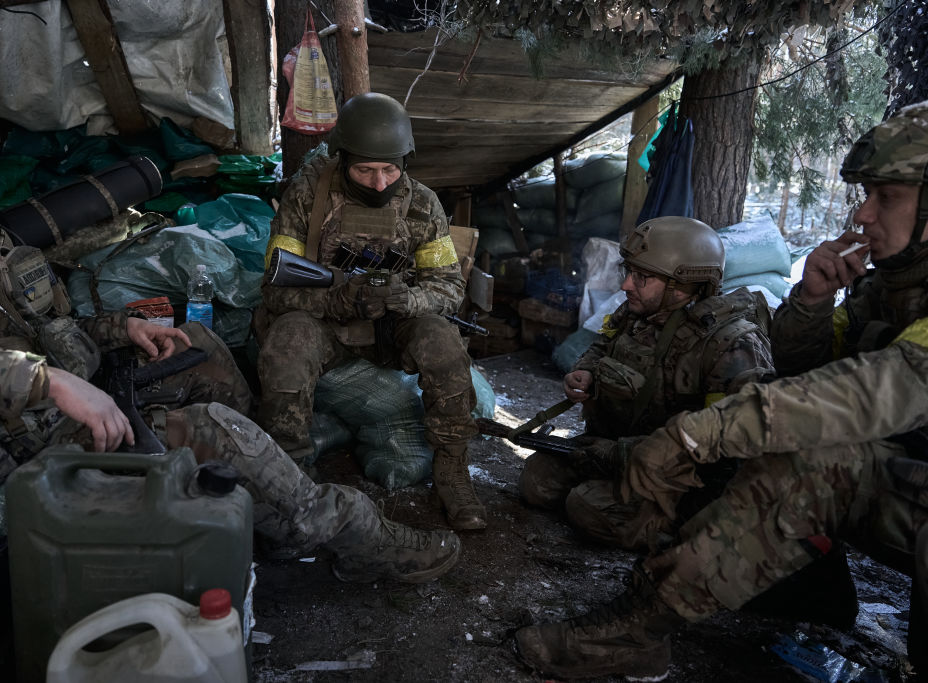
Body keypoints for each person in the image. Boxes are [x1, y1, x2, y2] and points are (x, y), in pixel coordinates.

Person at [0, 75, 461, 585]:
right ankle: (347, 532)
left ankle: (262, 502)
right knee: (212, 425)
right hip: (29, 438)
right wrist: (50, 383)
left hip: (75, 396)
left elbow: (43, 329)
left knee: (202, 350)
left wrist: (119, 327)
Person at [513, 101, 928, 680]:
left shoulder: (720, 332)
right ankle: (639, 632)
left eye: (886, 197)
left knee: (809, 461)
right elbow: (801, 373)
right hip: (905, 484)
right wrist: (809, 301)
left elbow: (865, 395)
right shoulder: (888, 291)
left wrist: (689, 436)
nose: (863, 212)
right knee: (807, 462)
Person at [257, 92, 485, 530]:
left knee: (444, 342)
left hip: (394, 329)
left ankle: (453, 472)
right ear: (343, 160)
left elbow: (449, 286)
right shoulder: (308, 195)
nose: (380, 184)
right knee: (286, 342)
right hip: (327, 326)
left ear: (406, 160)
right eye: (365, 170)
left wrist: (409, 300)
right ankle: (290, 481)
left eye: (390, 170)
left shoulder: (422, 204)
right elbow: (275, 287)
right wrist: (338, 299)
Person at [518, 216, 775, 551]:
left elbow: (729, 449)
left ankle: (694, 533)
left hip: (680, 477)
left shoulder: (731, 345)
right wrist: (587, 372)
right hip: (613, 448)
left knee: (587, 507)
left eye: (641, 277)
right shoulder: (639, 312)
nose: (626, 285)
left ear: (683, 284)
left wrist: (626, 454)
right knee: (536, 481)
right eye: (629, 272)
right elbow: (602, 345)